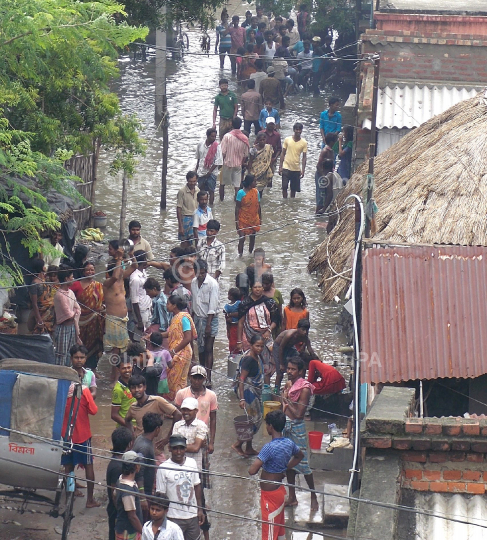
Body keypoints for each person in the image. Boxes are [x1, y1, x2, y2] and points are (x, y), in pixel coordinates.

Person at [249, 410, 304, 540]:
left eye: (266, 424)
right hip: (279, 490)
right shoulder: (289, 443)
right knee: (279, 530)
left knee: (268, 533)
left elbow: (252, 471)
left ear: (270, 427)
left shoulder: (269, 447)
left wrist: (262, 461)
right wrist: (286, 467)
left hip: (270, 496)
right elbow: (300, 456)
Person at [282, 357, 318, 510]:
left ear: (301, 371)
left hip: (297, 428)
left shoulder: (304, 389)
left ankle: (313, 495)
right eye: (288, 368)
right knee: (288, 463)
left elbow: (298, 414)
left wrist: (286, 399)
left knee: (303, 465)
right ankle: (292, 496)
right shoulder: (290, 385)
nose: (289, 372)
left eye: (293, 369)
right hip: (286, 425)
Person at [156, 435, 205, 540]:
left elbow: (197, 486)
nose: (178, 452)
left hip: (192, 515)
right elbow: (161, 496)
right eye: (175, 448)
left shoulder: (192, 463)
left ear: (185, 448)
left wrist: (200, 509)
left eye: (181, 448)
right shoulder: (163, 468)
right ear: (169, 449)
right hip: (173, 517)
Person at [61, 382, 99, 507]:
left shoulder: (61, 390)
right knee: (89, 465)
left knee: (68, 466)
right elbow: (93, 410)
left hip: (66, 435)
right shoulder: (84, 390)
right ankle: (90, 500)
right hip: (82, 435)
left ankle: (69, 495)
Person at [125, 374, 182, 452]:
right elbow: (127, 420)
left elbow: (177, 414)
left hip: (155, 446)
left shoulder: (157, 401)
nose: (136, 390)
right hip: (139, 445)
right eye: (133, 388)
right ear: (130, 390)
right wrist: (132, 436)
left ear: (145, 387)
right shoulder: (133, 407)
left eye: (139, 386)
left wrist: (168, 438)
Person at [236, 281, 278, 382]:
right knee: (250, 361)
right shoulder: (245, 304)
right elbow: (240, 323)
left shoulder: (269, 302)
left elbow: (276, 319)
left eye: (260, 287)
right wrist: (239, 341)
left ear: (263, 289)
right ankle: (249, 385)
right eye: (255, 287)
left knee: (268, 363)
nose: (258, 289)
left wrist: (269, 330)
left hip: (266, 337)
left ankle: (266, 388)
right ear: (251, 289)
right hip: (249, 337)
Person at [232, 334, 265, 456]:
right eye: (257, 346)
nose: (260, 349)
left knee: (251, 418)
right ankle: (238, 444)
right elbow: (241, 379)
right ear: (251, 345)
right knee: (254, 420)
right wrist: (242, 398)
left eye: (262, 346)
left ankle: (249, 447)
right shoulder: (249, 359)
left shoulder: (256, 356)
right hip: (248, 392)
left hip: (254, 391)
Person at [174, 365, 218, 456]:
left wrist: (211, 443)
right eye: (194, 378)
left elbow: (213, 419)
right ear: (190, 377)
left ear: (204, 379)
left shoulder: (211, 395)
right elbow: (177, 415)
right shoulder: (181, 393)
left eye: (200, 378)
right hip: (183, 431)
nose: (197, 381)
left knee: (203, 462)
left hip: (202, 433)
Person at [69, 260, 104, 370]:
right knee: (80, 345)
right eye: (88, 270)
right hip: (80, 321)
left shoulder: (98, 285)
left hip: (95, 321)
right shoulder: (76, 285)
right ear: (83, 272)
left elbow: (102, 301)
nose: (90, 272)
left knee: (95, 344)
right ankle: (78, 368)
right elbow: (68, 299)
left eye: (92, 270)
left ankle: (92, 369)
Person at [162, 295, 197, 401]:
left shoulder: (183, 318)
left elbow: (187, 338)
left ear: (174, 306)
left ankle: (178, 405)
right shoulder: (175, 318)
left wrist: (173, 351)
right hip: (178, 352)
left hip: (182, 353)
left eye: (168, 303)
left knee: (176, 381)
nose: (166, 305)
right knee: (175, 380)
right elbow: (171, 333)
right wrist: (155, 335)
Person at [191, 259, 219, 384]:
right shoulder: (193, 282)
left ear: (206, 271)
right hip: (197, 318)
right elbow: (194, 302)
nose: (201, 275)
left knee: (208, 348)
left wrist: (208, 325)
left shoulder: (212, 284)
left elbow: (213, 305)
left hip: (210, 319)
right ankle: (201, 373)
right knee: (200, 348)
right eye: (199, 273)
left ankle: (209, 377)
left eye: (203, 273)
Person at [273, 319, 317, 391]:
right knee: (280, 373)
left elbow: (310, 350)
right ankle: (276, 390)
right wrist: (281, 364)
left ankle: (295, 387)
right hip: (278, 347)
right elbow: (281, 348)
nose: (305, 332)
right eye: (303, 330)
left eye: (306, 330)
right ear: (298, 328)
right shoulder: (290, 335)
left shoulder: (305, 338)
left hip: (290, 347)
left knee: (300, 363)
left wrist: (317, 360)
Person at [133, 412, 163, 519]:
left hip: (146, 490)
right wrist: (142, 497)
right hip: (143, 491)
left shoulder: (140, 438)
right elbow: (139, 473)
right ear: (157, 429)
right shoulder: (144, 447)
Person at [107, 427, 134, 540]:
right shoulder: (119, 467)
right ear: (129, 445)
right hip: (117, 512)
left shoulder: (115, 461)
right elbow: (115, 493)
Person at [104, 255, 130, 365]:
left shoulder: (121, 281)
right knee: (115, 350)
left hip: (123, 319)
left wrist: (132, 255)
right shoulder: (107, 283)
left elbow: (134, 266)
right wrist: (118, 259)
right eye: (120, 269)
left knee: (123, 349)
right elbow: (114, 277)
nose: (122, 271)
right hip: (113, 320)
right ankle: (113, 376)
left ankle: (120, 372)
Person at [53, 266, 81, 366]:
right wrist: (74, 312)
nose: (73, 279)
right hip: (63, 329)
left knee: (70, 354)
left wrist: (74, 312)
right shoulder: (60, 295)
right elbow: (69, 315)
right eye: (72, 277)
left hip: (72, 328)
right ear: (66, 279)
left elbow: (78, 308)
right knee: (61, 355)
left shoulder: (71, 292)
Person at [115, 451, 144, 539]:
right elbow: (132, 516)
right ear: (136, 466)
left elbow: (114, 497)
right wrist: (144, 532)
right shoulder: (128, 491)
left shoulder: (120, 479)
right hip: (128, 532)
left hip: (122, 527)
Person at [220, 116, 249, 200]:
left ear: (231, 124)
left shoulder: (227, 136)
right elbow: (246, 154)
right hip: (238, 165)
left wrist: (220, 163)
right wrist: (241, 162)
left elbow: (222, 152)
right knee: (237, 186)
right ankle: (236, 203)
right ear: (240, 125)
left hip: (227, 164)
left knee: (222, 184)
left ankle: (221, 202)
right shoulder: (245, 138)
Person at [279, 122, 307, 199]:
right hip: (286, 166)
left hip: (296, 168)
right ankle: (284, 203)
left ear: (301, 130)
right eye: (296, 129)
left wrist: (303, 170)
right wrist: (280, 166)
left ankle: (292, 205)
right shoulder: (287, 139)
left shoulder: (304, 142)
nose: (298, 131)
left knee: (293, 189)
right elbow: (283, 153)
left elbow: (304, 157)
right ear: (294, 130)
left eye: (300, 129)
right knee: (284, 187)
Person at [195, 128, 222, 207]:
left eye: (215, 137)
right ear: (207, 136)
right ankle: (200, 206)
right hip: (201, 171)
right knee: (200, 190)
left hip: (212, 173)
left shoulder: (217, 146)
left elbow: (218, 161)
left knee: (211, 191)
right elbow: (198, 158)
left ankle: (210, 207)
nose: (213, 138)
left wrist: (209, 172)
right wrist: (196, 170)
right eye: (212, 136)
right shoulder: (200, 144)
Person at [28, 258, 55, 335]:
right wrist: (39, 319)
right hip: (41, 313)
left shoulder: (44, 279)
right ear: (42, 268)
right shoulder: (35, 284)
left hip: (49, 313)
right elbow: (34, 303)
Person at [235, 175, 261, 256]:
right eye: (254, 181)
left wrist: (260, 218)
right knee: (242, 238)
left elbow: (258, 206)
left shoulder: (256, 192)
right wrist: (236, 221)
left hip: (254, 219)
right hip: (243, 219)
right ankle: (240, 255)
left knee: (252, 237)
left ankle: (250, 253)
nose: (256, 183)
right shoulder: (240, 193)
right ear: (250, 183)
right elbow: (237, 208)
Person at [129, 251, 151, 342]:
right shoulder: (135, 278)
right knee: (138, 338)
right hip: (141, 311)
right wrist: (139, 320)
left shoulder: (143, 272)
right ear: (144, 260)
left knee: (148, 336)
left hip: (148, 308)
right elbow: (134, 300)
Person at [144, 277, 170, 345]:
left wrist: (157, 335)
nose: (147, 294)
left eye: (148, 291)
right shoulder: (160, 298)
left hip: (160, 330)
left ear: (154, 289)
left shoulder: (160, 302)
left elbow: (164, 323)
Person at [177, 172, 199, 248]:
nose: (192, 183)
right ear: (187, 180)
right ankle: (182, 258)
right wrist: (180, 226)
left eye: (194, 181)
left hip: (196, 217)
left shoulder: (197, 190)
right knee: (184, 242)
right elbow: (178, 208)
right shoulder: (182, 191)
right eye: (190, 181)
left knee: (195, 240)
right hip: (185, 219)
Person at [112, 358, 137, 427]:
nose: (127, 370)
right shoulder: (118, 389)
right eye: (123, 368)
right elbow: (114, 415)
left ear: (132, 367)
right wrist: (130, 427)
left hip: (138, 423)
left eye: (129, 367)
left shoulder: (136, 382)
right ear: (118, 369)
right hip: (125, 426)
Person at [248, 132, 274, 197]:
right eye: (261, 140)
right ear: (257, 140)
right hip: (255, 171)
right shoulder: (253, 149)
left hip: (264, 172)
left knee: (261, 189)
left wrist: (270, 172)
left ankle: (259, 202)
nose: (262, 141)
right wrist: (249, 172)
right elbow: (250, 161)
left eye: (264, 139)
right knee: (253, 188)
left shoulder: (268, 147)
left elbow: (269, 160)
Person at [149, 331, 172, 395]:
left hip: (151, 380)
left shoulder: (148, 354)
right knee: (160, 398)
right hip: (162, 380)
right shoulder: (166, 353)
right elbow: (170, 365)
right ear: (162, 342)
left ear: (150, 342)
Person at [261, 273, 283, 337]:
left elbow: (280, 311)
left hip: (275, 321)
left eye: (267, 284)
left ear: (271, 283)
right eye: (263, 283)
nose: (264, 286)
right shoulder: (258, 292)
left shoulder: (277, 293)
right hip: (262, 322)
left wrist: (282, 325)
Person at [262, 118, 282, 185]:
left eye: (272, 124)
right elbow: (257, 146)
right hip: (262, 159)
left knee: (270, 177)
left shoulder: (277, 135)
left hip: (272, 159)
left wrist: (274, 158)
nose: (271, 126)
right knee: (261, 177)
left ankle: (268, 192)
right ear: (266, 124)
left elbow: (279, 149)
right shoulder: (261, 133)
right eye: (269, 124)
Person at [224, 288, 242, 355]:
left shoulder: (228, 306)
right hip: (233, 325)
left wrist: (230, 315)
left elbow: (240, 313)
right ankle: (235, 353)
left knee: (234, 340)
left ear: (231, 296)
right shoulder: (239, 303)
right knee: (233, 340)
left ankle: (234, 353)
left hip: (234, 325)